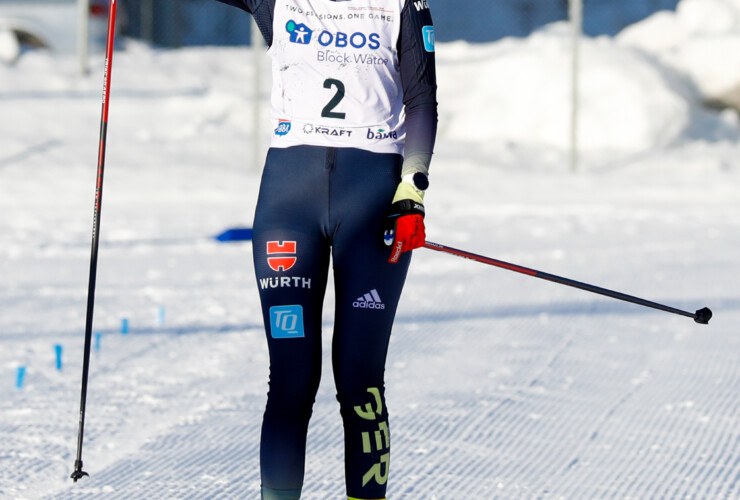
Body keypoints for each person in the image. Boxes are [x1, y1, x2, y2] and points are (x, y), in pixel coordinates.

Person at [214, 0, 437, 498]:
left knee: (360, 379)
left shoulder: (401, 2)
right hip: (288, 207)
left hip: (374, 202)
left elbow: (422, 100)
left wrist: (412, 190)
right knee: (291, 380)